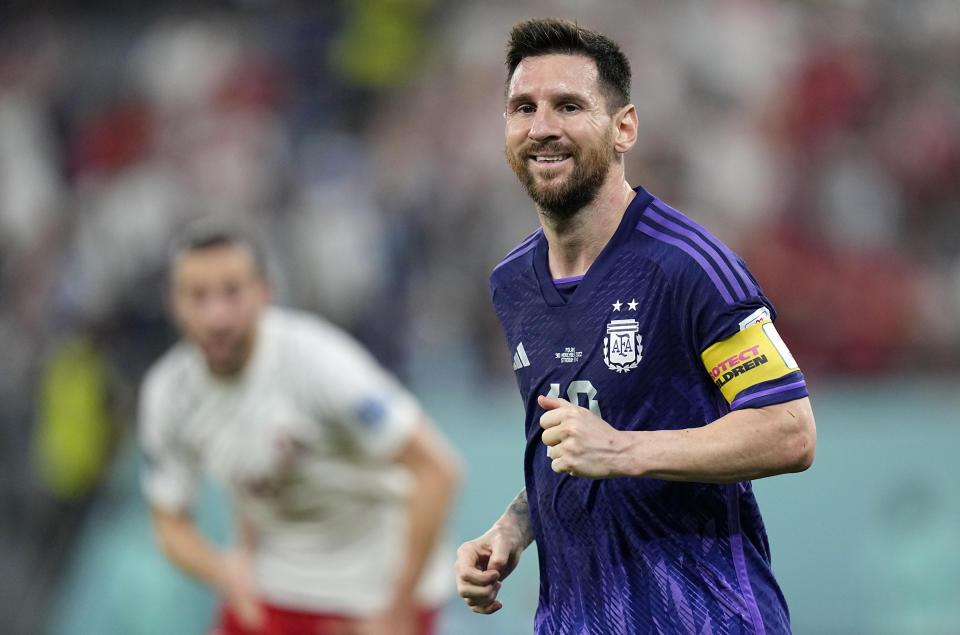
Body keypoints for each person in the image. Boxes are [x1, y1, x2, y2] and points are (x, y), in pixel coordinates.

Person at [454, 18, 817, 635]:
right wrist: (514, 528)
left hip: (705, 619)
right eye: (524, 107)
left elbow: (789, 431)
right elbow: (570, 444)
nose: (542, 127)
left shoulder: (690, 265)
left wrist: (622, 450)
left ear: (624, 127)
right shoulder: (511, 283)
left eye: (568, 105)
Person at [138, 221, 460, 635]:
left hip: (372, 593)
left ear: (265, 292)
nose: (216, 316)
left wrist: (398, 611)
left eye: (232, 292)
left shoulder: (318, 362)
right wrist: (225, 574)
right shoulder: (169, 393)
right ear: (174, 304)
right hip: (274, 588)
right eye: (197, 297)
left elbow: (437, 470)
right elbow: (170, 521)